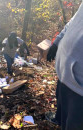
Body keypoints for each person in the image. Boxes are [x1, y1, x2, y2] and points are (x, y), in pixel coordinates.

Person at [46, 1, 83, 130]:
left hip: (79, 86)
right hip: (64, 73)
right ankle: (58, 118)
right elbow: (72, 23)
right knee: (62, 111)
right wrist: (56, 43)